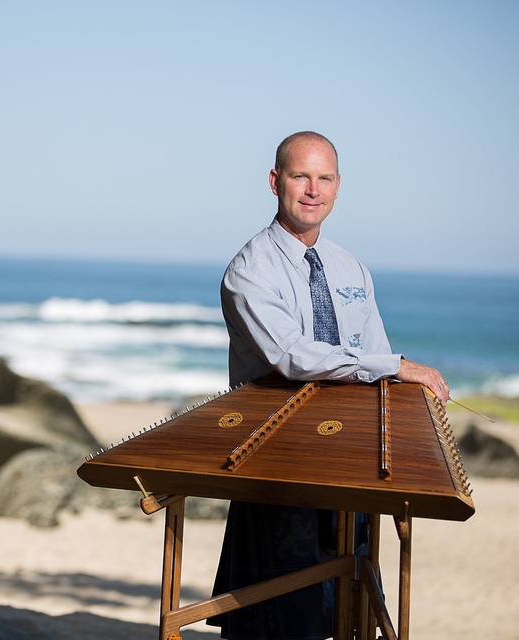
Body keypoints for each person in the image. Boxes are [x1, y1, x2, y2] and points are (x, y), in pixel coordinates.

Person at [207, 131, 449, 640]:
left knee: (351, 609)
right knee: (280, 614)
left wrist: (407, 409)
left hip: (349, 461)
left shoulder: (352, 268)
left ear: (338, 187)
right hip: (277, 465)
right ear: (276, 183)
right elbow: (293, 357)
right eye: (300, 176)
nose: (312, 190)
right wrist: (395, 365)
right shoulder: (248, 270)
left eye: (324, 178)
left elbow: (375, 357)